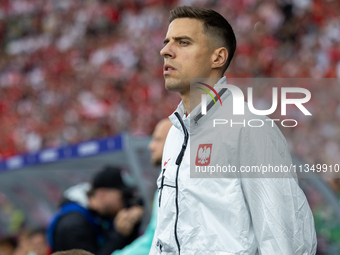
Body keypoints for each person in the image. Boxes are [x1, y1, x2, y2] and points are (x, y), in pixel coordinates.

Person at [150, 6, 317, 255]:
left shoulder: (249, 129)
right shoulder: (175, 134)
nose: (165, 51)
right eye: (166, 42)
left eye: (183, 42)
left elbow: (284, 240)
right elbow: (166, 234)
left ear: (217, 58)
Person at [47, 166, 144, 255]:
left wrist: (132, 226)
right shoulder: (74, 224)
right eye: (122, 196)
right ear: (102, 194)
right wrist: (119, 234)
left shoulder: (99, 215)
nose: (124, 202)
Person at [112, 118, 172, 255]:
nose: (150, 146)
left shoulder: (173, 188)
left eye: (157, 140)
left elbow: (155, 242)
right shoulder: (164, 185)